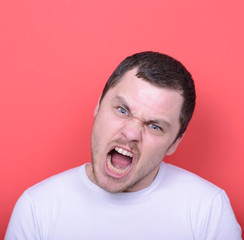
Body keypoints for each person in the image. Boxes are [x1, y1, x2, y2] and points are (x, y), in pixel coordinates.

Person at [5, 51, 242, 239]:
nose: (130, 133)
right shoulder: (37, 207)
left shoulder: (209, 210)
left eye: (154, 126)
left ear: (174, 143)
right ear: (98, 106)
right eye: (122, 110)